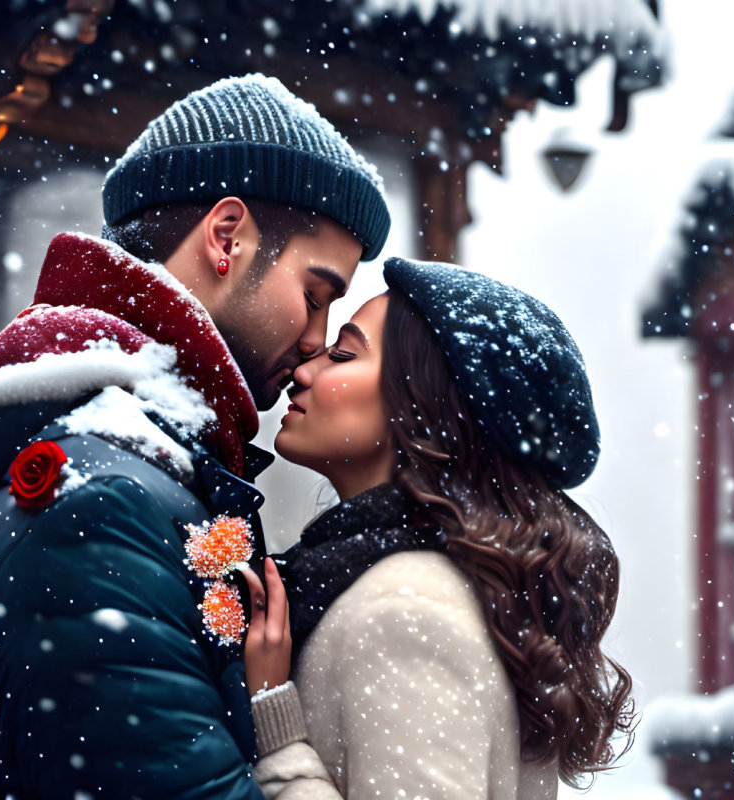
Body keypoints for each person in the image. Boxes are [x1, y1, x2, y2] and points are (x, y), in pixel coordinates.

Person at [0, 74, 390, 799]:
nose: (314, 339)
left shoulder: (64, 474)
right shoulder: (103, 512)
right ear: (226, 237)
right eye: (315, 294)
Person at [242, 257, 635, 799]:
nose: (306, 370)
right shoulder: (435, 588)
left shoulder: (406, 612)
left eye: (345, 353)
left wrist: (275, 723)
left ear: (421, 405)